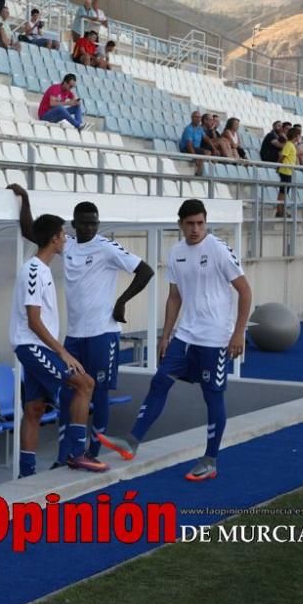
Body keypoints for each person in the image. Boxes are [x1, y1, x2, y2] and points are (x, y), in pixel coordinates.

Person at [100, 200, 252, 482]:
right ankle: (132, 441)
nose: (195, 229)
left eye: (200, 223)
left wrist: (238, 332)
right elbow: (175, 296)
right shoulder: (177, 252)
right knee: (160, 381)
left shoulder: (218, 249)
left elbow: (244, 291)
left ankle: (210, 459)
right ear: (180, 223)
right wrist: (166, 334)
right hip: (185, 334)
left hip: (215, 337)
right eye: (190, 224)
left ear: (205, 223)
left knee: (212, 396)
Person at [10, 186, 154, 462]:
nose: (89, 228)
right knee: (71, 392)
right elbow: (32, 233)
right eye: (84, 223)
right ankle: (67, 455)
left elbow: (144, 270)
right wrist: (24, 201)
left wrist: (122, 300)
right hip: (74, 336)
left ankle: (92, 452)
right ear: (73, 225)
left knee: (97, 392)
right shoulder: (69, 246)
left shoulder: (107, 247)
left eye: (94, 223)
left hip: (103, 332)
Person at [9, 213, 108, 476]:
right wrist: (61, 352)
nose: (66, 238)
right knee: (85, 383)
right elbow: (33, 320)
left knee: (34, 408)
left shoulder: (42, 269)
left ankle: (26, 473)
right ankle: (77, 454)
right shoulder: (33, 270)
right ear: (54, 239)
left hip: (37, 347)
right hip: (32, 347)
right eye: (63, 234)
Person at [276, 125, 299, 217]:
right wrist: (278, 166)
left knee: (284, 192)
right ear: (296, 136)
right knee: (283, 192)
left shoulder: (291, 145)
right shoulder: (289, 144)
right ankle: (280, 211)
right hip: (285, 170)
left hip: (288, 171)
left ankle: (281, 210)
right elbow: (282, 156)